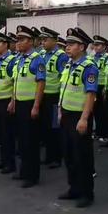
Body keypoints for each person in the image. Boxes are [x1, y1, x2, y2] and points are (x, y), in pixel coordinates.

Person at [58, 28, 98, 208]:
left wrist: (84, 119)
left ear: (81, 46)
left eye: (72, 44)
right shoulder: (69, 64)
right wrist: (60, 110)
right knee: (69, 154)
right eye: (67, 44)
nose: (67, 47)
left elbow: (90, 94)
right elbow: (64, 89)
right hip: (66, 114)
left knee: (82, 156)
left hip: (79, 116)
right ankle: (73, 188)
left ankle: (86, 193)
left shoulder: (88, 67)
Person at [9, 25, 46, 188]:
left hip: (30, 103)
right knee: (22, 140)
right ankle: (23, 170)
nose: (18, 43)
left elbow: (40, 83)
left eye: (22, 39)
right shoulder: (19, 58)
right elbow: (15, 82)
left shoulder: (37, 59)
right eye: (17, 39)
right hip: (19, 103)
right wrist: (12, 100)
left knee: (31, 141)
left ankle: (32, 175)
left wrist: (36, 106)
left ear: (30, 41)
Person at [39, 26, 68, 168]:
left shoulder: (61, 56)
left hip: (55, 97)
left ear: (54, 41)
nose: (43, 43)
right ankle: (49, 155)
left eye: (46, 40)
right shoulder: (43, 55)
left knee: (55, 127)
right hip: (44, 96)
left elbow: (63, 78)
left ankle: (57, 157)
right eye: (42, 40)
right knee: (45, 128)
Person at [0, 32, 18, 174]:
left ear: (6, 45)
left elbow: (15, 83)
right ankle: (3, 160)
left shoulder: (12, 60)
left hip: (8, 100)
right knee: (1, 133)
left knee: (8, 134)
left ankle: (10, 163)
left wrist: (13, 101)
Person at [92, 35, 108, 143]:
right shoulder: (92, 57)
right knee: (96, 111)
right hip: (94, 86)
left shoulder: (107, 57)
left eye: (98, 45)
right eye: (95, 45)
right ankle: (98, 132)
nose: (96, 47)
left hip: (103, 87)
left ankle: (104, 133)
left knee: (104, 111)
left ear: (104, 46)